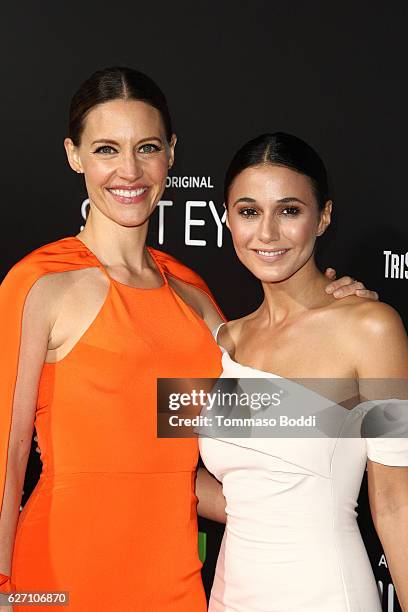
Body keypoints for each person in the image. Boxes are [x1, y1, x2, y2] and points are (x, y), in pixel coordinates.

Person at [0, 67, 377, 611]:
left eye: (146, 147)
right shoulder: (41, 284)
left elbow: (256, 435)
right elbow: (10, 453)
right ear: (73, 155)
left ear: (171, 154)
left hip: (175, 579)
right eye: (106, 149)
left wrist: (333, 311)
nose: (128, 171)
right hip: (61, 571)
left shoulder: (195, 295)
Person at [199, 132, 408, 611]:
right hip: (230, 595)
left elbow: (396, 504)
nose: (267, 233)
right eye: (249, 211)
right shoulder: (224, 340)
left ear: (324, 216)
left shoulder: (372, 329)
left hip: (326, 594)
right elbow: (231, 490)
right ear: (227, 219)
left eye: (289, 210)